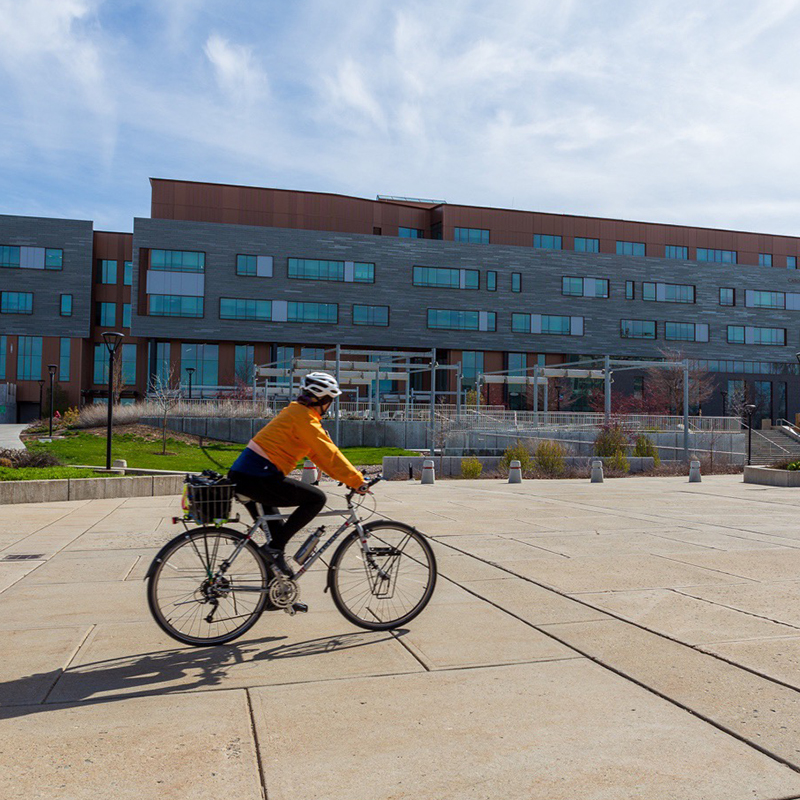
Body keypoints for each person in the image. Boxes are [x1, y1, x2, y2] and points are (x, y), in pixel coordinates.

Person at [228, 371, 369, 578]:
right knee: (316, 499)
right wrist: (357, 481)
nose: (330, 406)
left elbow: (319, 455)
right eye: (330, 400)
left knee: (277, 539)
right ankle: (272, 550)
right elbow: (329, 454)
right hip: (258, 478)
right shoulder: (305, 419)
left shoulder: (296, 413)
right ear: (322, 400)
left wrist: (347, 477)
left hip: (248, 477)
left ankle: (275, 594)